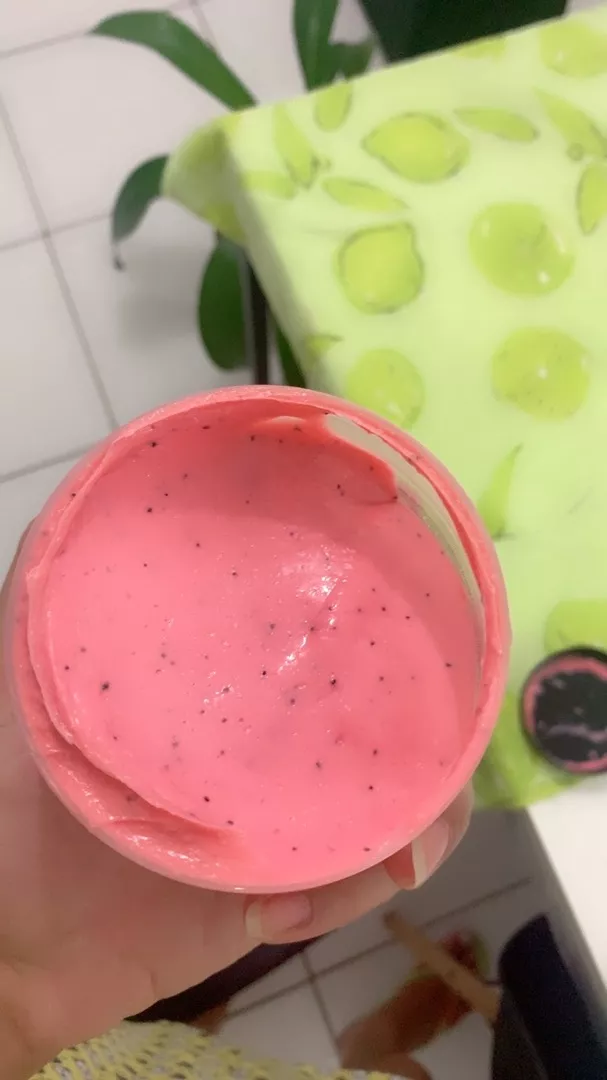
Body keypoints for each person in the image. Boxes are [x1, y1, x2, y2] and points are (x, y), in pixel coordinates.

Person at [0, 542, 471, 1080]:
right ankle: (375, 1045)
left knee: (184, 1029)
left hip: (97, 1034)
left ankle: (320, 1036)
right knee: (407, 1073)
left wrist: (21, 999)